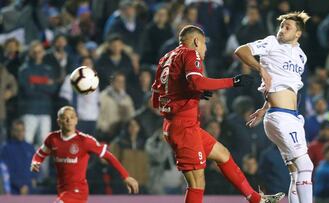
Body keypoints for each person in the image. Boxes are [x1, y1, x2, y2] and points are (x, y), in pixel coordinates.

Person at [151, 25, 284, 203]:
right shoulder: (190, 54)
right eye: (204, 44)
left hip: (178, 125)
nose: (205, 49)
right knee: (197, 183)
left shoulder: (165, 58)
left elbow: (156, 98)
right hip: (184, 129)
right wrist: (233, 81)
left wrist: (192, 94)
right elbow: (197, 81)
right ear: (197, 41)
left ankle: (256, 199)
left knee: (223, 154)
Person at [236, 12, 314, 202]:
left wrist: (264, 107)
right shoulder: (272, 42)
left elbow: (282, 84)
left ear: (298, 34)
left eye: (287, 27)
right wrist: (261, 69)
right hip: (280, 117)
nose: (282, 29)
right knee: (306, 166)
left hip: (292, 116)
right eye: (281, 26)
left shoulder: (301, 56)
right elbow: (241, 51)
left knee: (296, 172)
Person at [30, 106, 139, 203]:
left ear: (76, 120)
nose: (69, 120)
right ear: (59, 121)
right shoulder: (52, 138)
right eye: (65, 117)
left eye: (72, 117)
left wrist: (125, 176)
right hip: (62, 189)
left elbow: (108, 156)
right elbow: (41, 153)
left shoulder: (85, 141)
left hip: (78, 191)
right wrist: (36, 162)